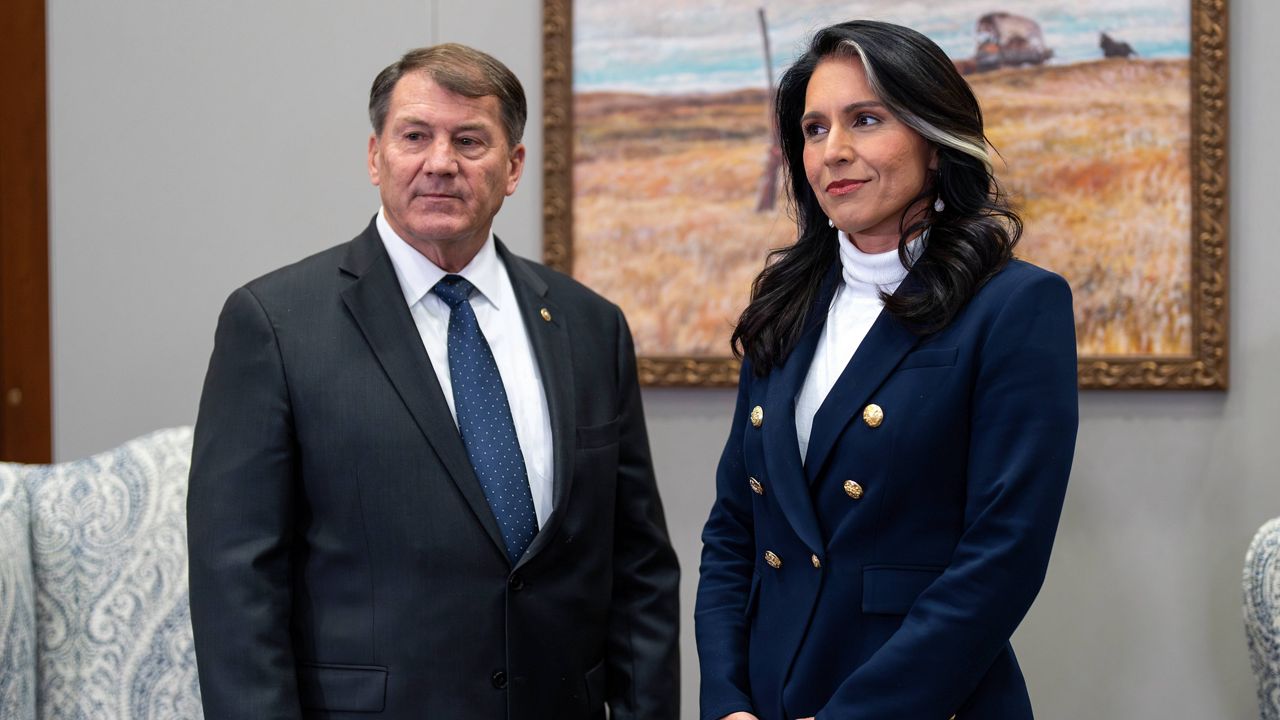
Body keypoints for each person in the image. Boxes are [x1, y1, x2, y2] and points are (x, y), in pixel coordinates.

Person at [187, 43, 680, 720]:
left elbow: (639, 567)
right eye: (415, 136)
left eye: (470, 140)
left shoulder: (590, 327)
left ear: (512, 168)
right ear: (375, 157)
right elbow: (236, 583)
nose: (440, 162)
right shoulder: (275, 325)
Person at [695, 20, 1078, 720]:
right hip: (768, 698)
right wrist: (725, 700)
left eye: (865, 120)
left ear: (934, 143)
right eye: (813, 130)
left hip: (919, 702)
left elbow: (1003, 556)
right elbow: (733, 533)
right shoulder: (784, 305)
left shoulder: (1017, 305)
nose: (832, 152)